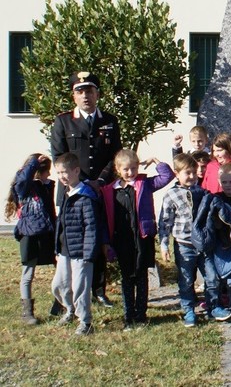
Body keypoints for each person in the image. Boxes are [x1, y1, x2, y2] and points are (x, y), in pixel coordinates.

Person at [50, 70, 121, 309]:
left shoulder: (109, 121)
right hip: (72, 192)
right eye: (80, 92)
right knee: (67, 242)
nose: (85, 96)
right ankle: (63, 296)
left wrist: (100, 181)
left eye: (89, 91)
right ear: (74, 97)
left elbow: (116, 157)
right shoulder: (63, 121)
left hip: (99, 191)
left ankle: (98, 290)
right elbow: (59, 157)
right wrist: (78, 183)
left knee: (98, 239)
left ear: (97, 93)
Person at [101, 150, 174, 330]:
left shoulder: (144, 184)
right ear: (118, 169)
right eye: (126, 169)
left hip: (142, 237)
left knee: (141, 276)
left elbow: (167, 176)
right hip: (122, 239)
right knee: (127, 278)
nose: (130, 172)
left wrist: (156, 160)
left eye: (134, 168)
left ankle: (141, 315)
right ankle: (129, 316)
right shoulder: (110, 190)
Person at [159, 153, 231, 327]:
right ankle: (189, 310)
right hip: (184, 245)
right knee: (186, 280)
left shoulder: (202, 192)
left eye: (194, 172)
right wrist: (164, 244)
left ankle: (213, 307)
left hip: (204, 243)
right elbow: (165, 222)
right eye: (187, 173)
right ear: (177, 174)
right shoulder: (171, 195)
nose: (192, 176)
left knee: (212, 277)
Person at [193, 163, 231, 321]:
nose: (228, 185)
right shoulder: (214, 199)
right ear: (219, 181)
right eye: (224, 182)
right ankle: (215, 306)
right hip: (217, 244)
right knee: (215, 279)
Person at [50, 152, 100, 336]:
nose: (62, 176)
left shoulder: (86, 197)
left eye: (65, 172)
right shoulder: (66, 193)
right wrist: (57, 247)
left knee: (80, 288)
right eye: (58, 173)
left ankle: (85, 322)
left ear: (76, 170)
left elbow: (91, 227)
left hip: (81, 252)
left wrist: (89, 253)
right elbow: (61, 224)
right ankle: (69, 310)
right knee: (59, 285)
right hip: (65, 250)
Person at [6, 154, 56, 325]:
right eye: (46, 171)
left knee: (60, 271)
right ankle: (27, 312)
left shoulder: (47, 186)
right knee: (28, 274)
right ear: (36, 171)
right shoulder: (23, 187)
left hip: (47, 233)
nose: (49, 175)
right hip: (29, 234)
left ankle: (60, 304)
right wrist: (34, 163)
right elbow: (22, 180)